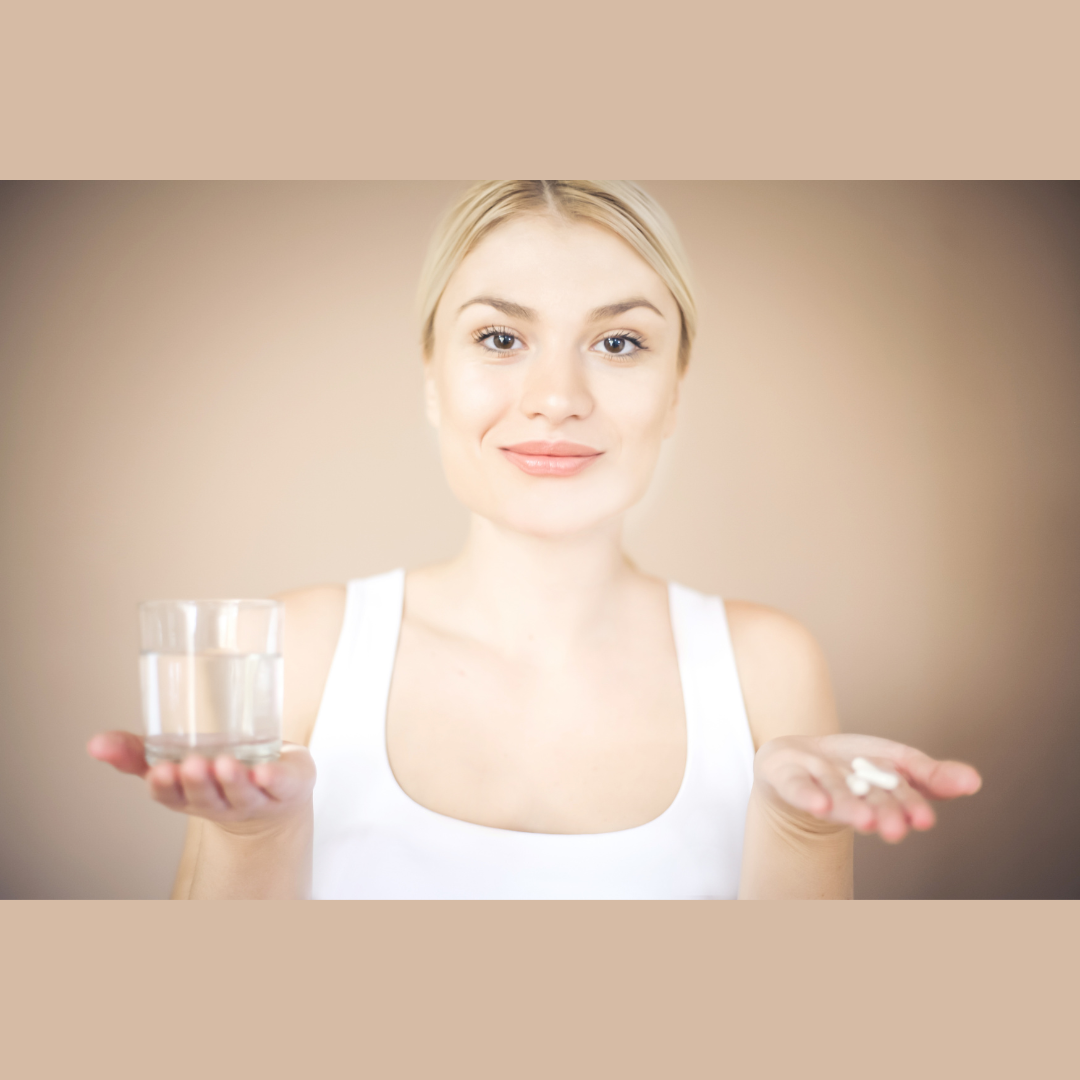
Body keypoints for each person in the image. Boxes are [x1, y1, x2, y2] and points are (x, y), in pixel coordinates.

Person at [88, 181, 982, 899]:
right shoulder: (299, 645)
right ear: (433, 379)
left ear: (674, 392)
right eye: (502, 336)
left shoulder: (769, 664)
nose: (557, 396)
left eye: (621, 341)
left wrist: (798, 832)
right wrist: (256, 838)